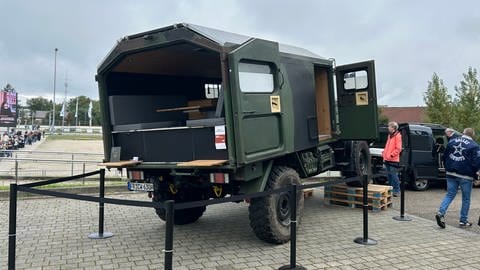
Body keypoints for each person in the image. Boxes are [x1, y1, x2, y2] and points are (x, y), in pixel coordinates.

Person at [435, 128, 480, 228]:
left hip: (450, 173)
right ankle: (463, 221)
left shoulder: (452, 141)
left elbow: (445, 156)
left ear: (463, 133)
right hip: (465, 175)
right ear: (472, 135)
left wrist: (447, 168)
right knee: (466, 199)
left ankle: (440, 213)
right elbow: (476, 162)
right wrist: (475, 176)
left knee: (450, 194)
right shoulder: (474, 146)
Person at [382, 121, 402, 197]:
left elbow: (398, 148)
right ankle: (390, 190)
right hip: (387, 159)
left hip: (393, 159)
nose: (388, 128)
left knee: (394, 176)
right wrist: (384, 154)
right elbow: (387, 146)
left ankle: (397, 190)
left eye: (389, 126)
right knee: (389, 176)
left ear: (393, 128)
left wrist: (391, 155)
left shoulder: (398, 136)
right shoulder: (389, 135)